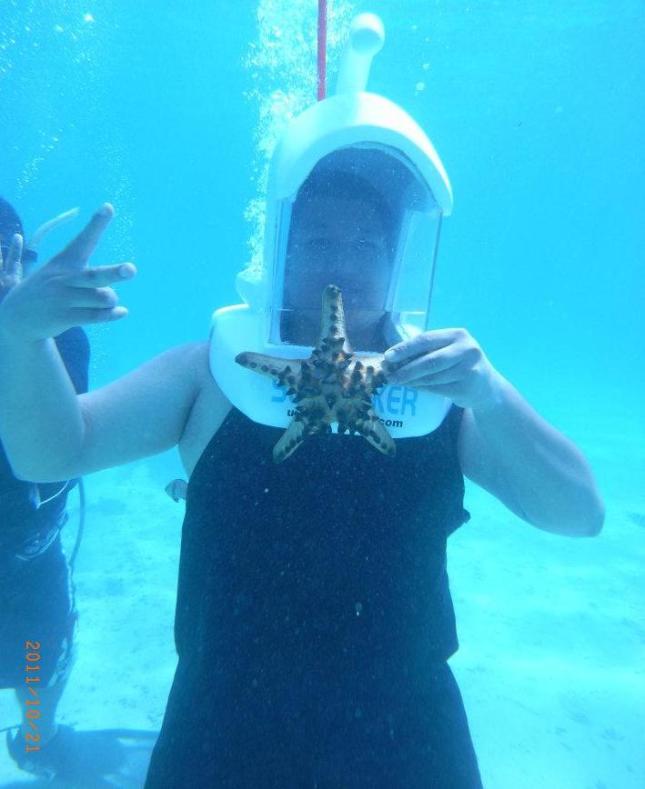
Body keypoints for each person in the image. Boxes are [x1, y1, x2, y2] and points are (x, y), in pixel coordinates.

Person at [0, 16, 604, 789]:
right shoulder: (210, 374)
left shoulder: (444, 387)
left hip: (405, 731)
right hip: (223, 726)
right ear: (279, 251)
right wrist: (21, 340)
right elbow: (54, 451)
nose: (341, 271)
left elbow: (578, 513)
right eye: (316, 244)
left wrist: (490, 394)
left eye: (365, 249)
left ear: (397, 260)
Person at [0, 197, 90, 781]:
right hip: (31, 546)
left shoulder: (63, 337)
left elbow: (59, 448)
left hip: (30, 550)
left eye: (14, 260)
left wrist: (19, 336)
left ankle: (35, 736)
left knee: (39, 661)